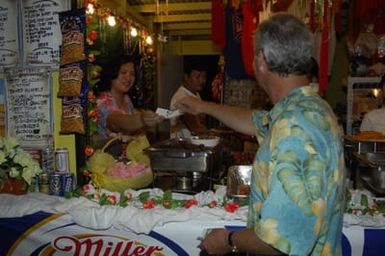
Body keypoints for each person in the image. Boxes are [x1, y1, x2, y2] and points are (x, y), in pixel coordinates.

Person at [176, 13, 346, 255]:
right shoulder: (308, 108)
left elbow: (278, 241)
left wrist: (227, 240)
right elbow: (255, 122)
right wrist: (202, 106)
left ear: (261, 60)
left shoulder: (295, 129)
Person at [96, 56, 164, 144]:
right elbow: (117, 123)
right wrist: (141, 119)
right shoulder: (103, 101)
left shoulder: (126, 99)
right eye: (123, 72)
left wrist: (150, 117)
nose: (128, 78)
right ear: (112, 73)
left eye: (132, 74)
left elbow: (136, 120)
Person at [169, 57, 208, 139]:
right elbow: (196, 128)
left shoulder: (195, 94)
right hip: (183, 148)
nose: (202, 80)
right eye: (197, 76)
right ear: (186, 77)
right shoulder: (182, 97)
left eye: (204, 76)